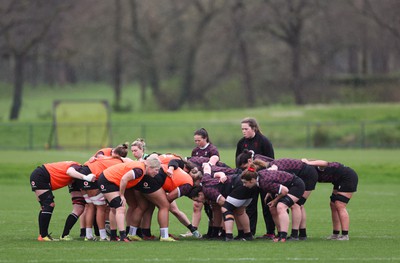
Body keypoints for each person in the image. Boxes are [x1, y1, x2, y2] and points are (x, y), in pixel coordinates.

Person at [237, 150, 318, 241]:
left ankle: (296, 235)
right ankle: (285, 234)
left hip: (306, 175)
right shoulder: (264, 173)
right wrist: (270, 193)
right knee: (277, 206)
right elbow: (276, 181)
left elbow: (283, 187)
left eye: (244, 168)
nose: (245, 170)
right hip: (294, 180)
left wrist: (275, 199)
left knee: (296, 205)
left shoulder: (269, 172)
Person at [97, 155, 161, 242]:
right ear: (149, 167)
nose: (157, 172)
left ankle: (113, 236)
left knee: (114, 208)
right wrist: (122, 195)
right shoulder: (140, 170)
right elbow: (124, 179)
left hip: (108, 179)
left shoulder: (141, 166)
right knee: (121, 207)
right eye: (156, 170)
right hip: (108, 181)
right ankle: (123, 236)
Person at [30, 161, 96, 241]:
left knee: (79, 208)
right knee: (49, 205)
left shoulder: (76, 176)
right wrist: (86, 177)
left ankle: (64, 235)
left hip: (41, 176)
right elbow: (69, 172)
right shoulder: (77, 166)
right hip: (41, 176)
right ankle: (43, 236)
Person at [240, 164, 305, 242]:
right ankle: (280, 234)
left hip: (296, 185)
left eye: (245, 182)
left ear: (253, 180)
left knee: (281, 207)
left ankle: (284, 237)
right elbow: (274, 176)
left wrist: (275, 200)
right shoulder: (259, 176)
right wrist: (270, 192)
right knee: (272, 208)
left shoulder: (263, 182)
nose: (244, 185)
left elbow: (284, 190)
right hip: (289, 185)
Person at [235, 117, 275, 238]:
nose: (243, 131)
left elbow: (271, 161)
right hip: (249, 179)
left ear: (254, 128)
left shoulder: (264, 141)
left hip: (263, 179)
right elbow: (238, 162)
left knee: (266, 204)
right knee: (250, 206)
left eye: (246, 129)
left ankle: (270, 232)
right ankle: (250, 232)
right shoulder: (241, 143)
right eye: (242, 129)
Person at [301, 158, 358, 241]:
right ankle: (335, 234)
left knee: (340, 205)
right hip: (338, 181)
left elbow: (324, 162)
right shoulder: (308, 173)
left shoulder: (317, 167)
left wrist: (308, 162)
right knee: (333, 205)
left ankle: (345, 235)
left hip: (348, 178)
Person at [182, 128, 220, 238]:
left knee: (213, 206)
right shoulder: (195, 151)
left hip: (210, 181)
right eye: (195, 141)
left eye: (199, 140)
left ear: (205, 138)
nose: (197, 143)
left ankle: (216, 230)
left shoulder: (212, 150)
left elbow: (214, 165)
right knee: (197, 204)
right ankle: (193, 231)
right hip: (199, 183)